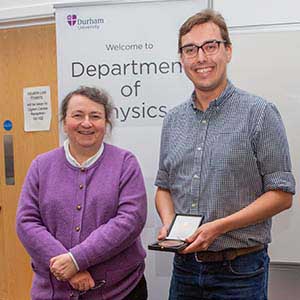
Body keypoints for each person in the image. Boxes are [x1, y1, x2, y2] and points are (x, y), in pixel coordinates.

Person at [155, 9, 295, 300]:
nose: (201, 58)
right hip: (184, 270)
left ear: (227, 51)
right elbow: (164, 187)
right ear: (181, 58)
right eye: (190, 49)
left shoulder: (259, 114)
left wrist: (219, 227)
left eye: (210, 46)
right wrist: (169, 224)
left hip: (240, 272)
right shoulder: (173, 120)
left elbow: (282, 194)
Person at [16, 86, 148, 300]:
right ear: (64, 123)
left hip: (120, 291)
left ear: (106, 124)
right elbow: (26, 222)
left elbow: (130, 220)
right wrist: (67, 267)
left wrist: (76, 259)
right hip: (53, 292)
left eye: (95, 116)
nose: (86, 123)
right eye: (77, 115)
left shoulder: (125, 163)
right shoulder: (41, 166)